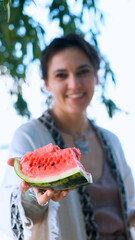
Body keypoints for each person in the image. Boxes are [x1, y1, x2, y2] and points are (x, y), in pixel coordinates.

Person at [1, 33, 135, 240]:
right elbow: (17, 213)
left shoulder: (112, 140)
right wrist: (35, 195)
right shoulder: (29, 135)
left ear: (97, 76)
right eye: (61, 75)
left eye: (83, 72)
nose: (74, 84)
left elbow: (127, 212)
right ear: (46, 84)